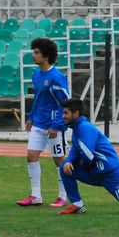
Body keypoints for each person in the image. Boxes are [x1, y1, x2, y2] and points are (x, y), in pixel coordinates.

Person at [16, 38, 69, 208]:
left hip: (53, 126)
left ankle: (62, 196)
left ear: (46, 55)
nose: (33, 55)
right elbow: (38, 99)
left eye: (36, 52)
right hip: (38, 124)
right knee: (31, 156)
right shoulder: (36, 74)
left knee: (59, 161)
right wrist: (31, 117)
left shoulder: (57, 77)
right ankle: (36, 195)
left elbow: (65, 104)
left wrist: (57, 125)